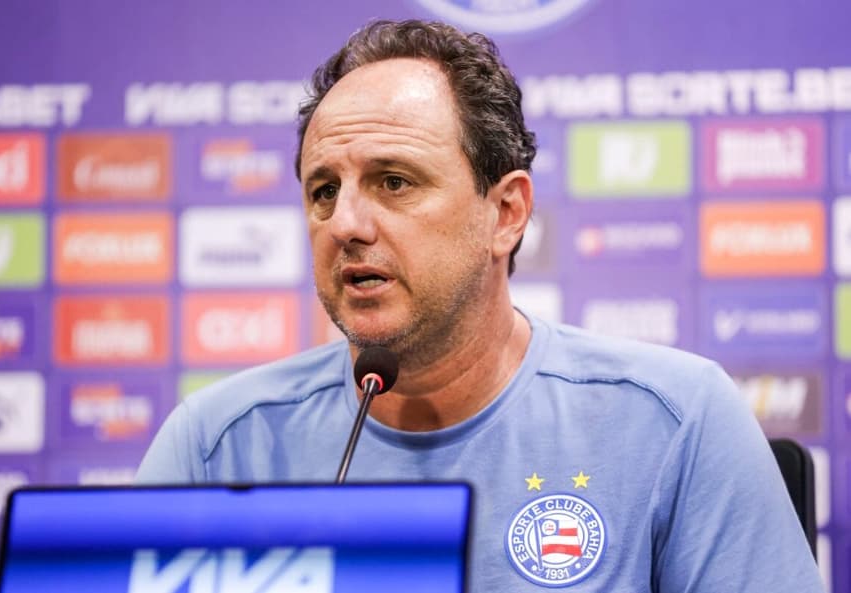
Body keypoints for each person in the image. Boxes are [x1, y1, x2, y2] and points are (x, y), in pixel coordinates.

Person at [137, 19, 824, 592]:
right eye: (323, 191)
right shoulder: (216, 445)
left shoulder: (676, 420)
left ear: (506, 213)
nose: (345, 222)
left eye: (394, 181)